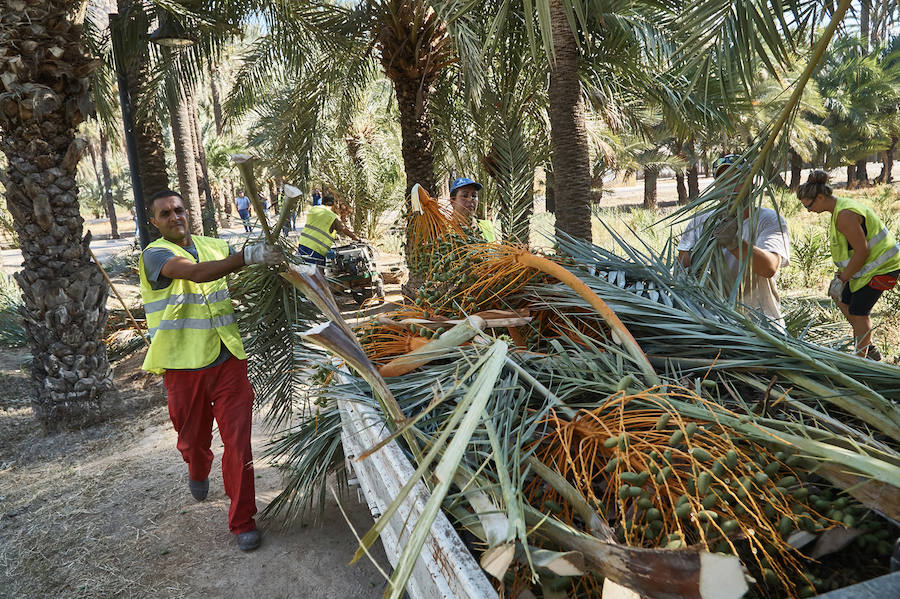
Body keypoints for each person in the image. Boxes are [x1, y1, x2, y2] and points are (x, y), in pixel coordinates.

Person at [138, 189, 282, 552]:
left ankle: (242, 521)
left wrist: (268, 262)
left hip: (228, 359)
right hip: (183, 368)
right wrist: (246, 257)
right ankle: (197, 466)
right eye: (165, 213)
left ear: (189, 212)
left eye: (179, 209)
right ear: (153, 222)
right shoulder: (155, 255)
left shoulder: (214, 246)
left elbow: (236, 279)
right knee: (193, 440)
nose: (175, 217)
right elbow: (198, 275)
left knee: (237, 443)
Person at [678, 154, 791, 330]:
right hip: (714, 323)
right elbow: (681, 271)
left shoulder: (768, 220)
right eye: (723, 181)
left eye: (737, 180)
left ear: (751, 184)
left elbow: (769, 268)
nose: (729, 188)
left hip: (762, 327)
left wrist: (734, 243)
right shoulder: (700, 222)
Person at [797, 170, 900, 360]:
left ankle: (861, 361)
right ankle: (867, 346)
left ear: (820, 197)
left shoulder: (844, 215)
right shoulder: (839, 211)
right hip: (867, 269)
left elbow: (862, 251)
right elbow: (851, 251)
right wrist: (841, 277)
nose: (809, 211)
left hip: (883, 268)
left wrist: (843, 278)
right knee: (841, 299)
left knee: (859, 313)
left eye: (808, 206)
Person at [297, 195, 361, 266]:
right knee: (316, 272)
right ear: (334, 204)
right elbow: (344, 229)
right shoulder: (332, 216)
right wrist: (358, 239)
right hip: (316, 249)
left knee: (304, 269)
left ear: (322, 202)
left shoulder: (314, 209)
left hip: (302, 244)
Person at [449, 177, 497, 242]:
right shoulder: (446, 230)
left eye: (474, 196)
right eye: (465, 196)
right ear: (452, 201)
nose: (470, 199)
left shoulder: (487, 226)